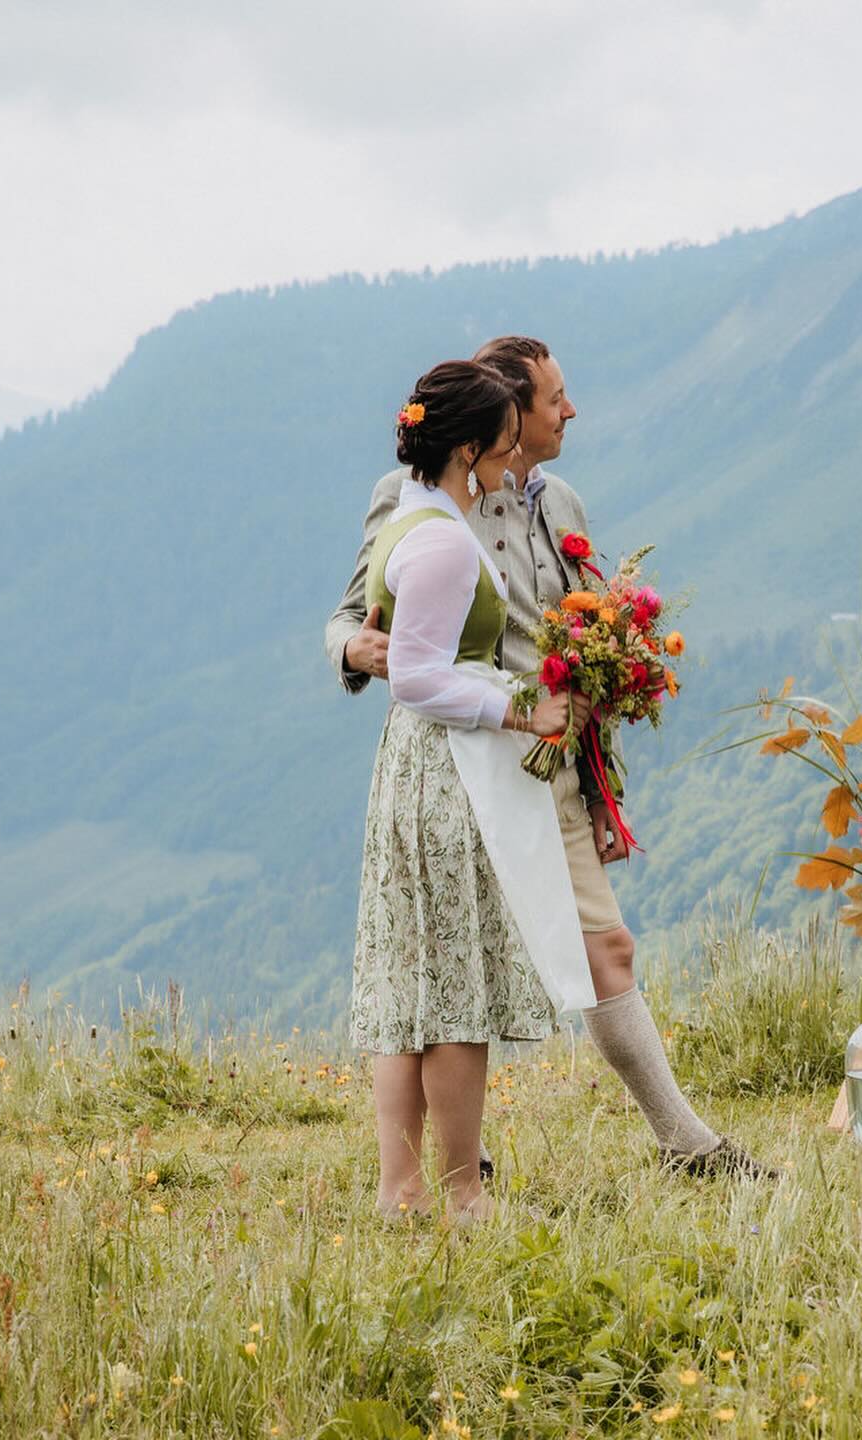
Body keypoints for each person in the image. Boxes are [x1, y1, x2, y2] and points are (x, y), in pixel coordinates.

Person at [328, 337, 776, 1179]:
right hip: (467, 766)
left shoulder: (560, 500)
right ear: (504, 420)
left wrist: (603, 765)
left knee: (607, 949)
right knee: (448, 971)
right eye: (554, 400)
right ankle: (458, 1171)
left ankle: (687, 1145)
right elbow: (352, 616)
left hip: (551, 767)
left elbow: (582, 627)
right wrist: (357, 653)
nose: (570, 412)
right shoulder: (410, 498)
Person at [348, 359, 596, 1223]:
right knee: (455, 988)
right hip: (447, 769)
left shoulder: (409, 518)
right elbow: (417, 677)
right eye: (496, 448)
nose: (505, 461)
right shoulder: (448, 543)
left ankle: (400, 1188)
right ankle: (459, 1195)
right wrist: (522, 708)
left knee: (409, 975)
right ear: (464, 449)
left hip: (409, 768)